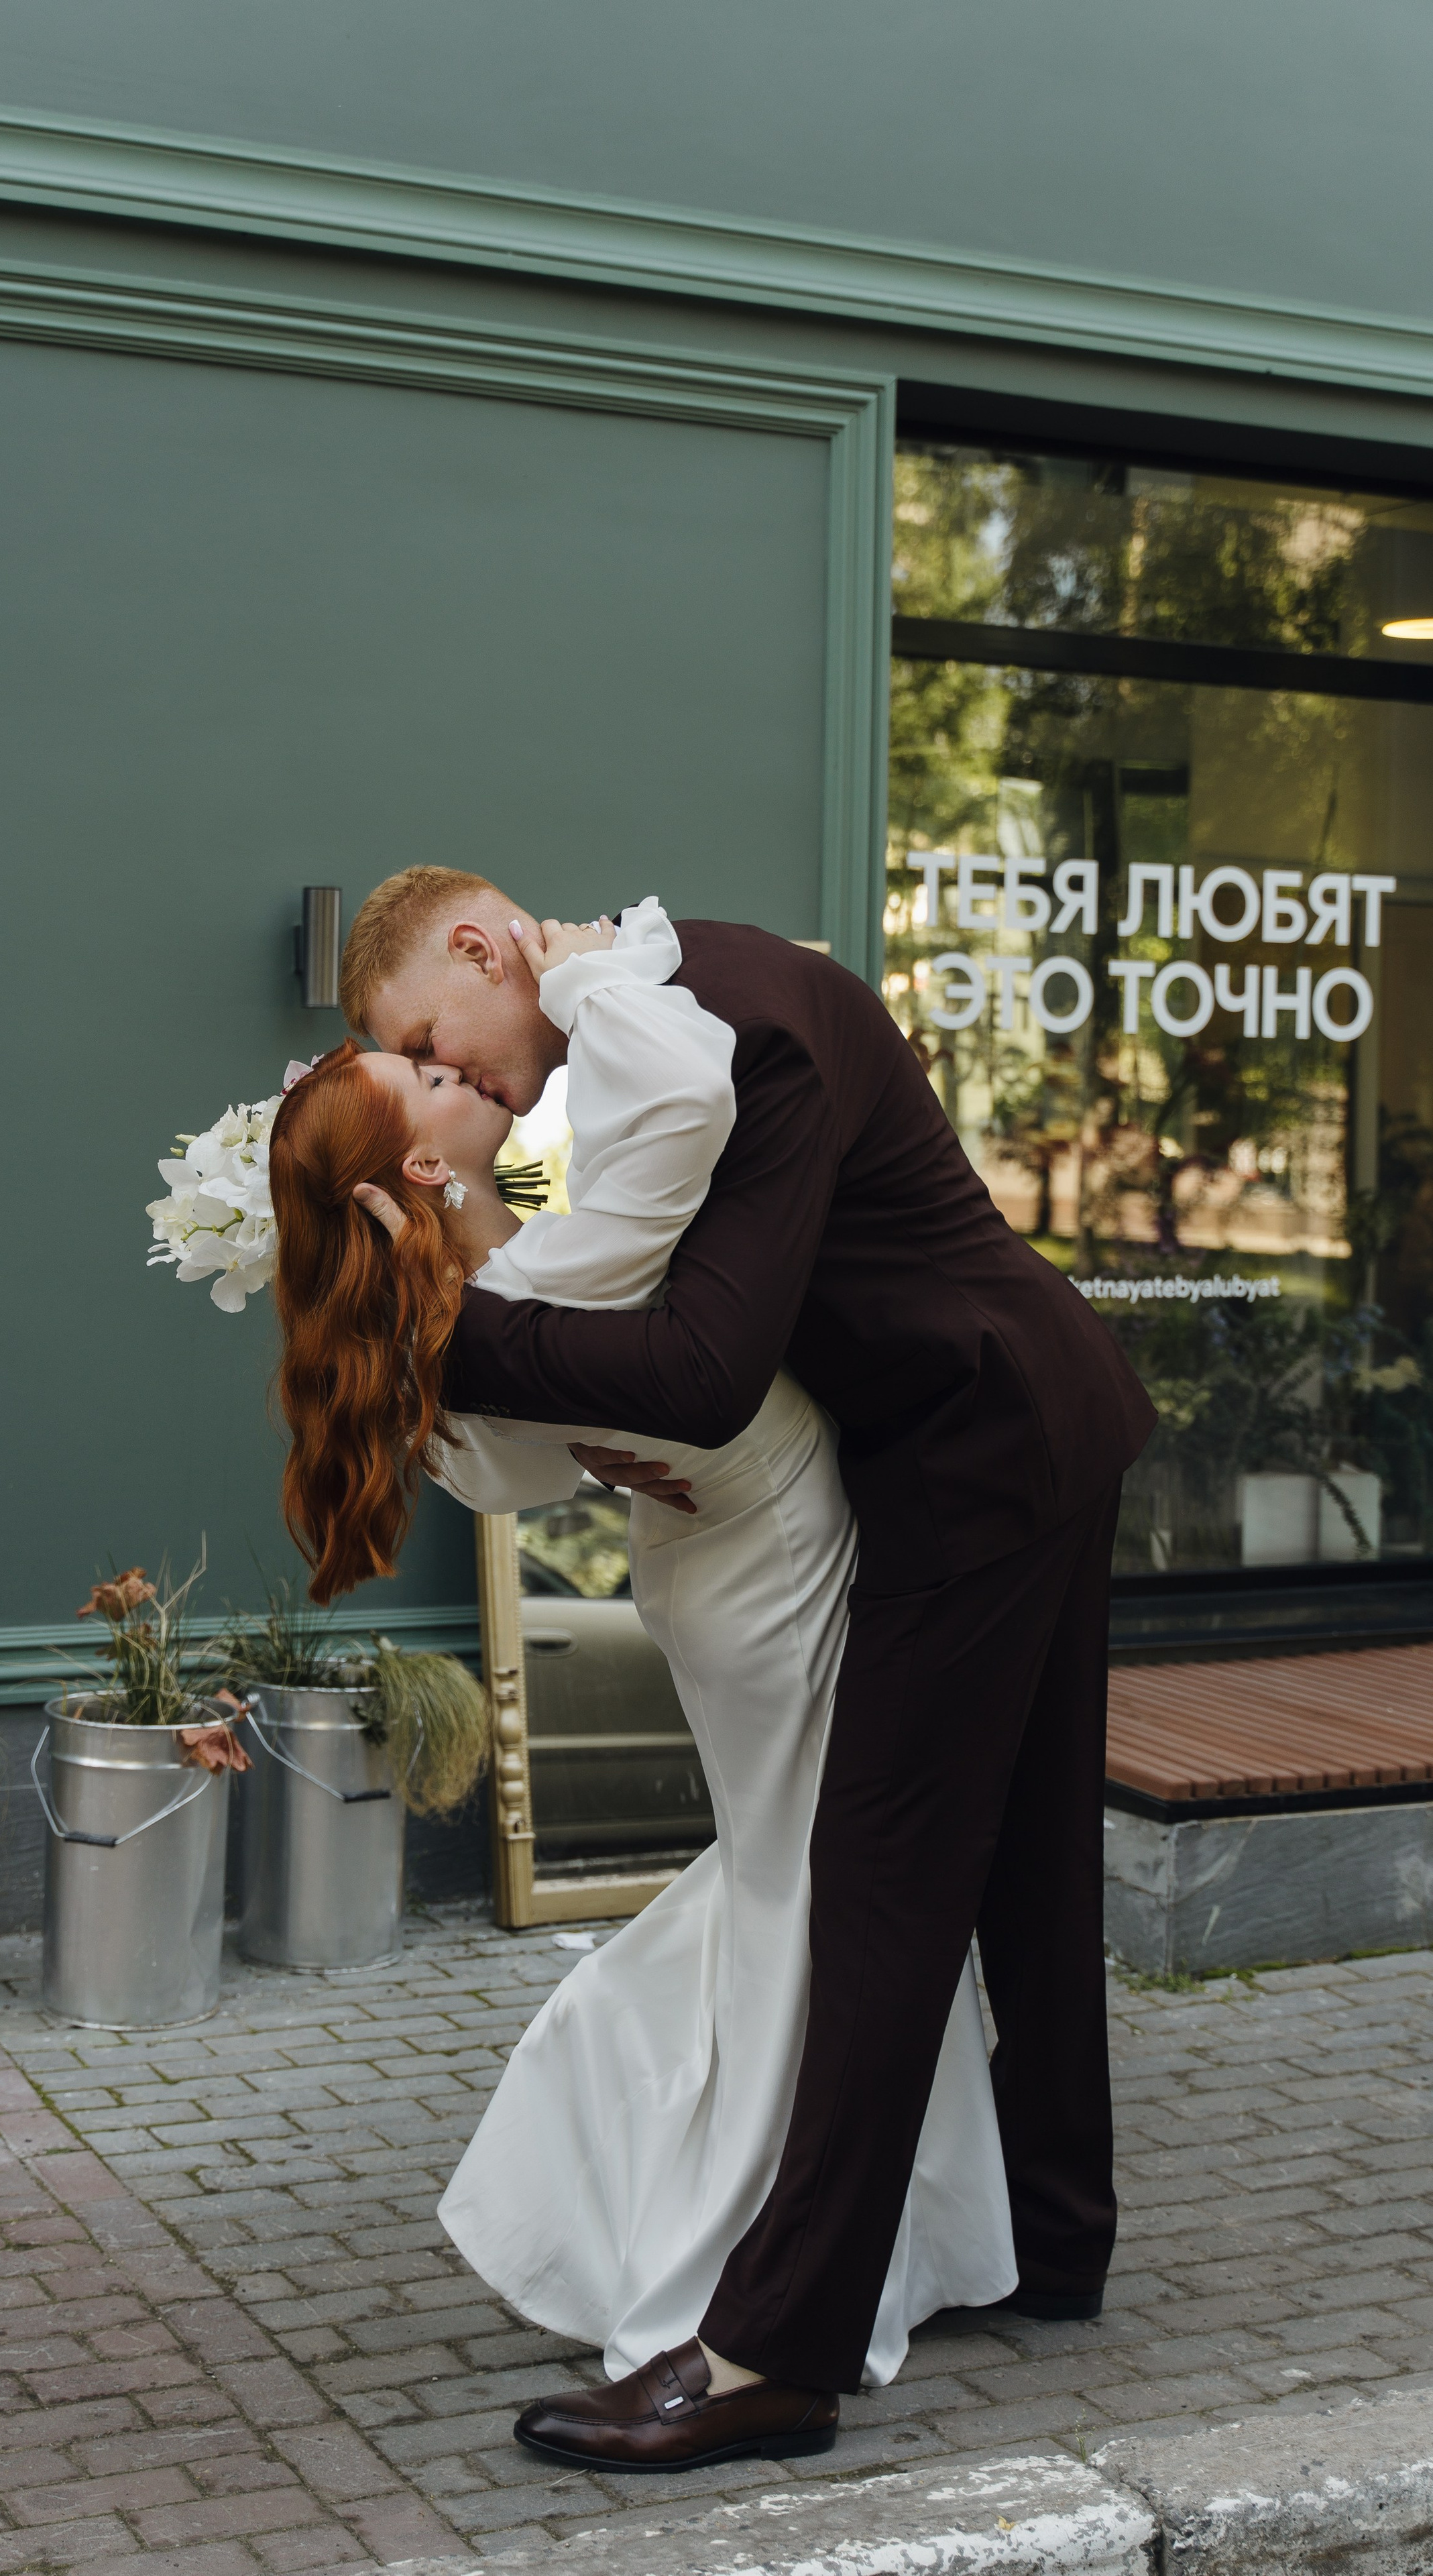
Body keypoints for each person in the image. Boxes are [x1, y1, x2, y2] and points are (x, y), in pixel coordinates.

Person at [337, 865, 1157, 2466]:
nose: (460, 1084)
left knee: (878, 1889)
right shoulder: (683, 1001)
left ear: (478, 943)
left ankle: (772, 2354)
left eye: (436, 1041)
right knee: (1022, 1874)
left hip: (975, 1449)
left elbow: (705, 1370)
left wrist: (432, 1322)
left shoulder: (728, 1025)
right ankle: (1055, 2241)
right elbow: (712, 1318)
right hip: (1026, 1414)